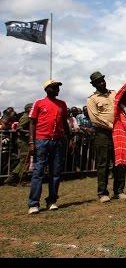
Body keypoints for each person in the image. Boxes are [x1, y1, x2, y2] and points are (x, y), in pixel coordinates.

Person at [27, 80, 71, 214]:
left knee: (56, 173)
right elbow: (32, 123)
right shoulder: (39, 103)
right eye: (54, 87)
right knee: (38, 172)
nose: (57, 89)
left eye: (58, 87)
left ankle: (52, 200)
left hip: (57, 141)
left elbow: (64, 122)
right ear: (47, 89)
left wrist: (69, 138)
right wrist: (31, 142)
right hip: (41, 141)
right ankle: (34, 203)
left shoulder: (62, 104)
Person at [86, 71, 126, 202]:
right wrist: (112, 126)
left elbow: (122, 106)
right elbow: (95, 118)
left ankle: (119, 191)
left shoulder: (114, 93)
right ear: (93, 84)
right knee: (103, 163)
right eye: (98, 81)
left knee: (120, 162)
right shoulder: (92, 99)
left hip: (118, 132)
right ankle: (103, 193)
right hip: (102, 134)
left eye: (102, 80)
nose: (102, 83)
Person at [5, 103, 33, 186]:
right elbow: (19, 128)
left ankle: (13, 178)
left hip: (24, 141)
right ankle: (21, 179)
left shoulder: (28, 116)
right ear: (28, 109)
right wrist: (29, 132)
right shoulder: (26, 117)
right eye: (32, 108)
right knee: (24, 160)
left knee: (25, 160)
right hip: (23, 141)